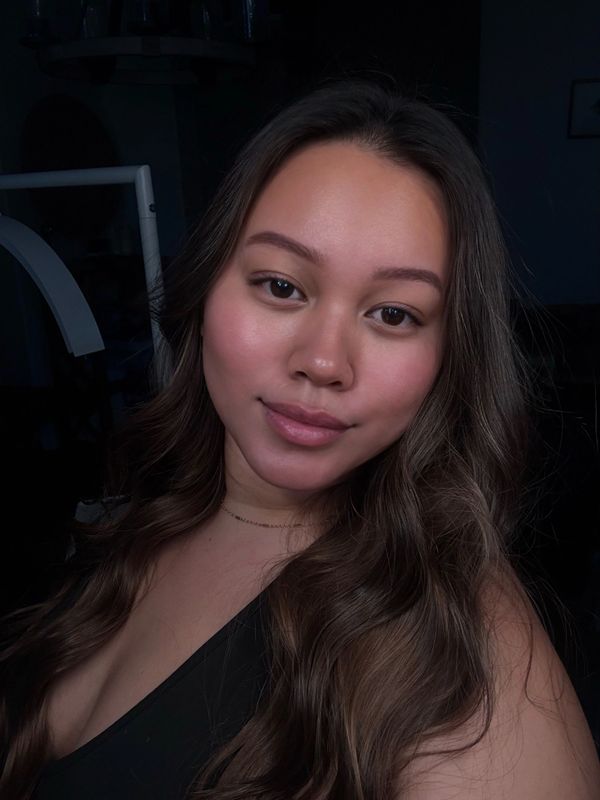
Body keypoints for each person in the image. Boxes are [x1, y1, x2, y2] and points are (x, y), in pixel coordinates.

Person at [1, 80, 599, 800]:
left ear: (450, 357)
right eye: (282, 286)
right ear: (206, 288)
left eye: (393, 314)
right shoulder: (139, 519)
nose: (322, 362)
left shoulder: (468, 657)